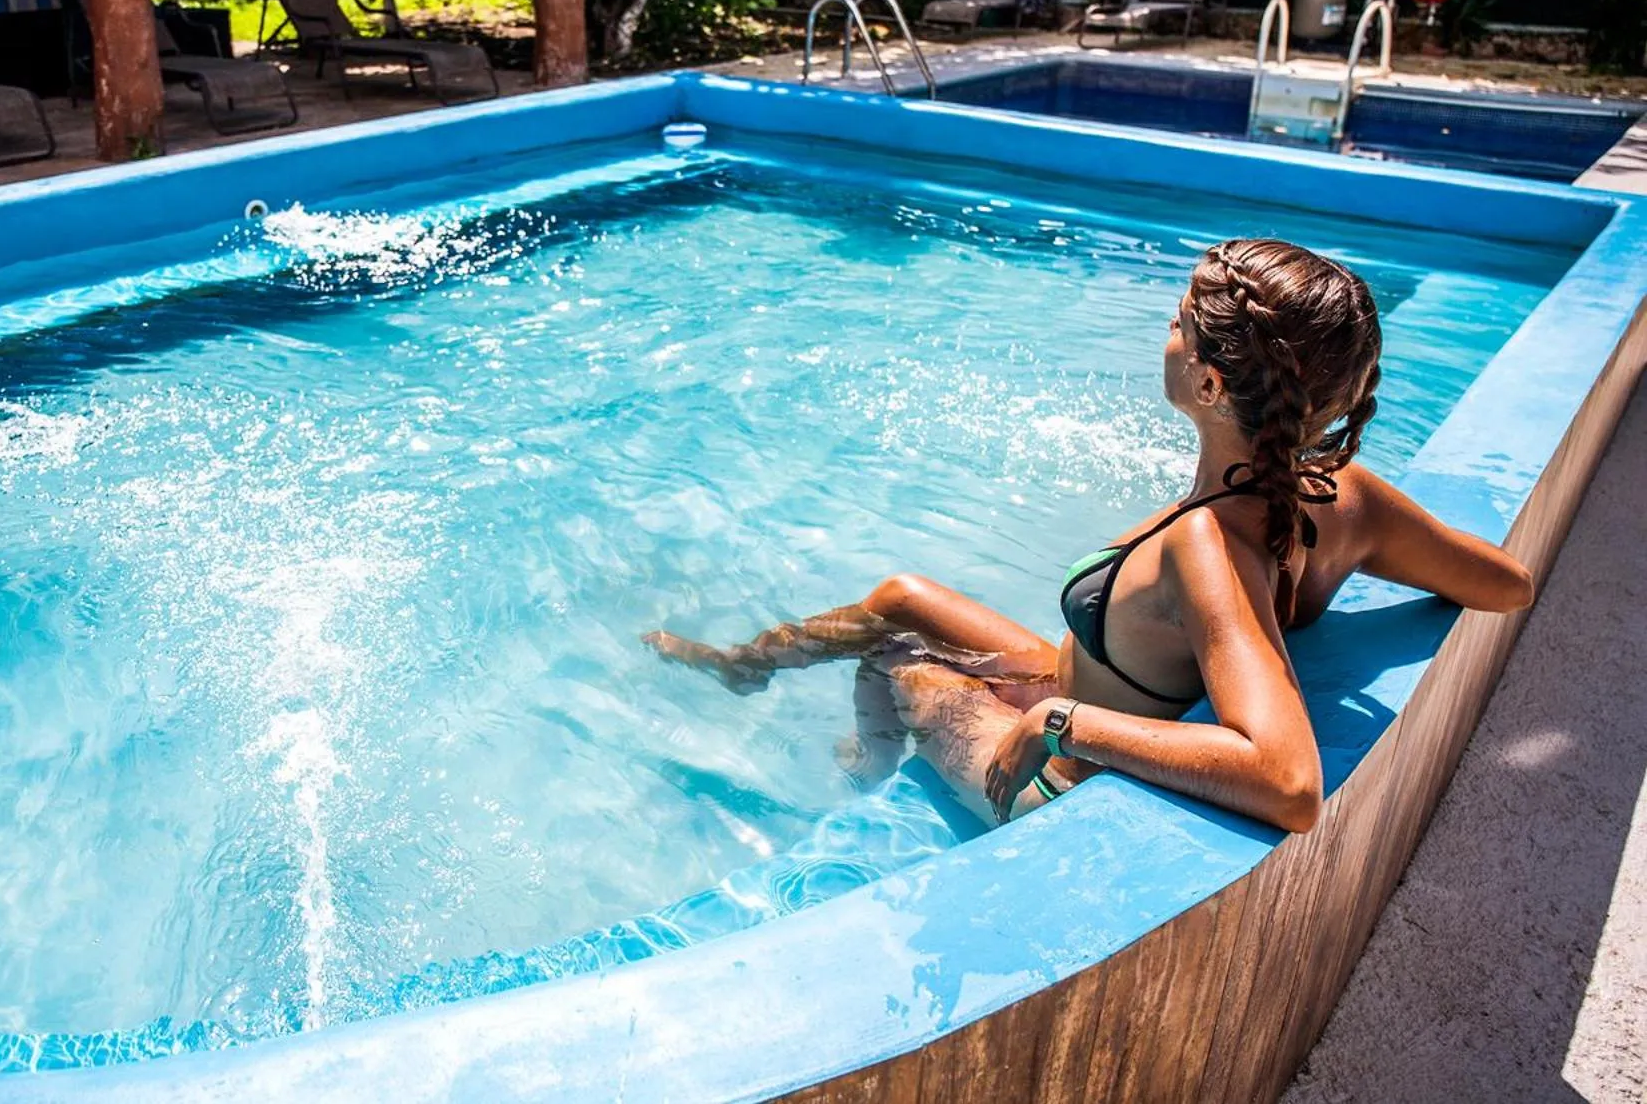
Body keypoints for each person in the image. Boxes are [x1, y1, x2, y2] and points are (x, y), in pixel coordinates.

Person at [644, 239, 1533, 833]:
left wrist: (1067, 722)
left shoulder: (1209, 549)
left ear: (1214, 385)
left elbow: (1290, 780)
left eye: (1180, 322)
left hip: (1042, 772)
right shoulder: (1347, 494)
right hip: (1082, 671)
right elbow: (1507, 584)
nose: (1167, 330)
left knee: (891, 659)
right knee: (900, 599)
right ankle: (747, 664)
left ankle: (863, 783)